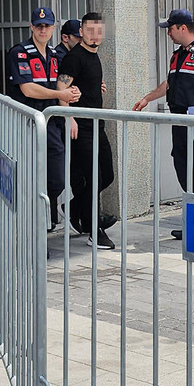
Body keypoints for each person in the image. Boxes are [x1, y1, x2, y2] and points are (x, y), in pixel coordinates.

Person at [132, 9, 194, 241]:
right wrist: (147, 99)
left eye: (170, 29)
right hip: (180, 123)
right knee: (185, 173)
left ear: (183, 28)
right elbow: (169, 83)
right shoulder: (178, 56)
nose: (168, 34)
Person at [6, 7, 81, 230]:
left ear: (53, 28)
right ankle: (34, 227)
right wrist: (61, 94)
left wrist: (71, 104)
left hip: (52, 123)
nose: (43, 29)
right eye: (39, 26)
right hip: (28, 122)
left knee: (56, 178)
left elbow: (64, 85)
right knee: (30, 177)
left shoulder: (57, 56)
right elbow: (28, 89)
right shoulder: (20, 52)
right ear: (31, 27)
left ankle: (46, 215)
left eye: (47, 26)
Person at [56, 13, 116, 249]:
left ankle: (72, 208)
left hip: (97, 124)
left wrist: (95, 87)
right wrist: (69, 117)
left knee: (107, 175)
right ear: (81, 32)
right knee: (94, 178)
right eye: (90, 30)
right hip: (81, 127)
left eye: (99, 30)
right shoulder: (74, 57)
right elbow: (62, 87)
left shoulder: (94, 55)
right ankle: (94, 230)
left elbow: (85, 83)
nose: (95, 35)